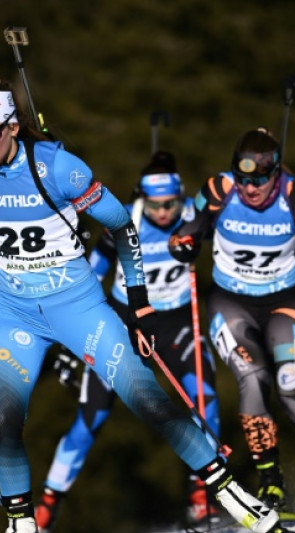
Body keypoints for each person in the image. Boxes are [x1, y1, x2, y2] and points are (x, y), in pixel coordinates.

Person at [0, 78, 284, 533]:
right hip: (15, 317)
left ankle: (233, 495)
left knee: (146, 399)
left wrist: (139, 305)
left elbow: (121, 226)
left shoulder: (58, 168)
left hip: (80, 310)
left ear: (12, 127)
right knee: (4, 420)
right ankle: (21, 524)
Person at [168, 127, 295, 517]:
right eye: (242, 179)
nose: (249, 188)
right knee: (253, 377)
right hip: (231, 304)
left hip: (283, 304)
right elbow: (187, 231)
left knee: (292, 388)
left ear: (275, 174)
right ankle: (270, 481)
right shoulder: (219, 190)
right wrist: (183, 244)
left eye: (258, 180)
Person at [34, 151, 223, 531]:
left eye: (170, 204)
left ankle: (201, 496)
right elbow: (90, 275)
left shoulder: (192, 213)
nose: (164, 213)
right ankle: (47, 505)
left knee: (205, 400)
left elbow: (226, 191)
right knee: (91, 416)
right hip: (123, 323)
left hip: (175, 323)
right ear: (142, 198)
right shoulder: (123, 219)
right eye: (155, 205)